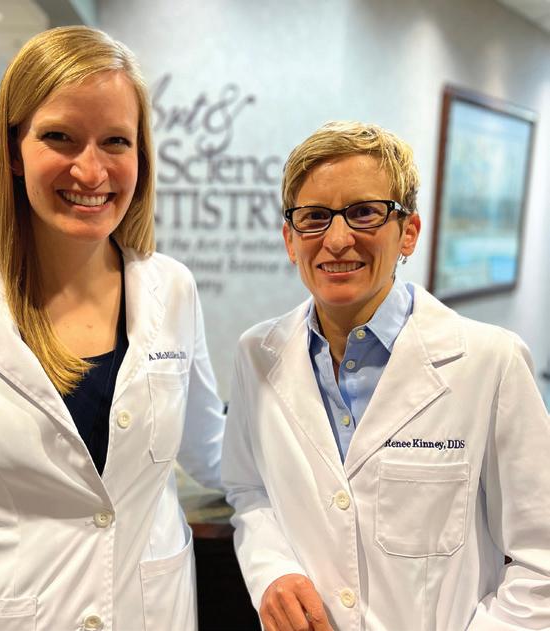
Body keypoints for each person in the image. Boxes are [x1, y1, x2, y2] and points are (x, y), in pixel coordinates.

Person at [0, 26, 224, 631]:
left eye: (116, 141)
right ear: (13, 149)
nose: (91, 170)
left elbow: (214, 455)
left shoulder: (173, 291)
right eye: (60, 137)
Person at [221, 121, 550, 631]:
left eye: (364, 213)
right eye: (314, 218)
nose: (336, 240)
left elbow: (540, 561)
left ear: (408, 232)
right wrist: (272, 571)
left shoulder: (492, 363)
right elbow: (248, 490)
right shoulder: (256, 355)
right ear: (290, 239)